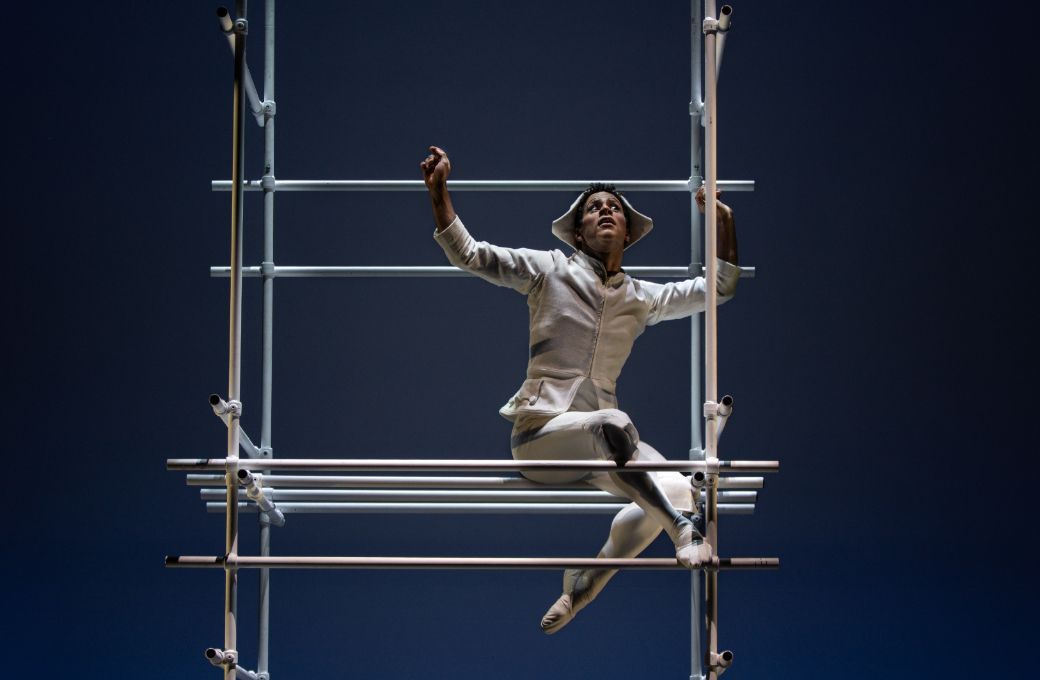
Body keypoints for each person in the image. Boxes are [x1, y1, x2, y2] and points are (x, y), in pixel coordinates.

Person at [420, 145, 739, 634]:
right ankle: (681, 531)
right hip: (542, 439)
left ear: (627, 233)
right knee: (644, 468)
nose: (606, 210)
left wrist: (724, 218)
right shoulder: (549, 269)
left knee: (680, 490)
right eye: (594, 208)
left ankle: (582, 587)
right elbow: (470, 254)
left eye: (614, 207)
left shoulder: (641, 297)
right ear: (578, 232)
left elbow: (718, 289)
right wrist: (440, 192)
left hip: (609, 453)